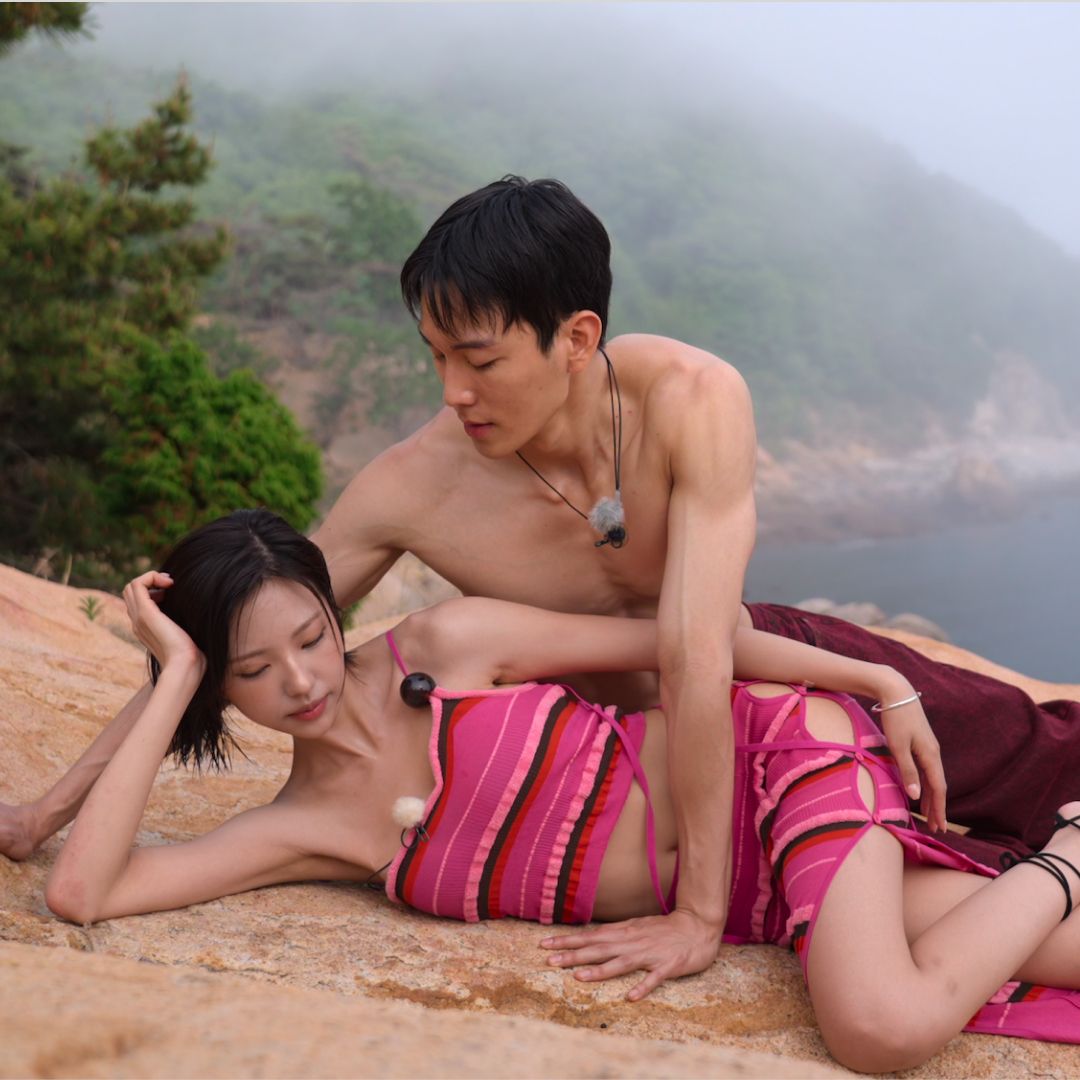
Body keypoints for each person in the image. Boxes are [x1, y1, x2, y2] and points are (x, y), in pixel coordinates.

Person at [4, 175, 1078, 979]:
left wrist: (707, 910)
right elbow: (244, 632)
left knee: (1040, 758)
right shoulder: (413, 488)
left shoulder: (688, 400)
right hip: (627, 775)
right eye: (435, 357)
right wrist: (46, 810)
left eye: (479, 358)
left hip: (775, 690)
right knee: (966, 886)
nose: (454, 389)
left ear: (575, 337)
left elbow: (699, 649)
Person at [36, 511, 1080, 1072]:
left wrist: (878, 679)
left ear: (329, 603)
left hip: (777, 763)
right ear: (220, 681)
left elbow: (686, 647)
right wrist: (170, 671)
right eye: (252, 671)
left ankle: (1065, 850)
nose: (301, 681)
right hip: (767, 893)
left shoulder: (451, 642)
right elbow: (84, 894)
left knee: (880, 1026)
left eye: (310, 636)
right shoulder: (304, 828)